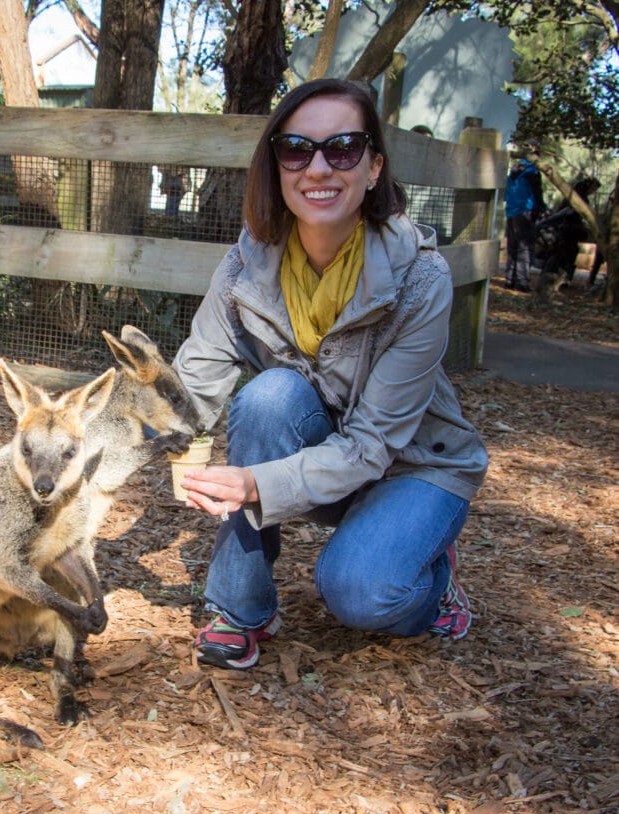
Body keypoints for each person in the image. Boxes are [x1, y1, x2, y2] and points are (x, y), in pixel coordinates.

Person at [172, 78, 489, 671]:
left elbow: (372, 444)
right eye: (297, 149)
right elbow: (192, 381)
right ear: (277, 167)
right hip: (324, 455)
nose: (318, 168)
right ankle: (242, 607)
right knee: (268, 398)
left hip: (416, 465)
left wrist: (254, 484)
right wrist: (103, 442)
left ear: (373, 168)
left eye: (341, 148)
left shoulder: (421, 279)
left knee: (362, 593)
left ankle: (434, 584)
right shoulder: (246, 264)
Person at [535, 176, 601, 302]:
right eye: (594, 189)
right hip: (566, 233)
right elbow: (568, 216)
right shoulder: (578, 200)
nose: (594, 192)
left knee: (562, 257)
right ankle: (557, 281)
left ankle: (560, 280)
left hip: (567, 233)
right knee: (560, 257)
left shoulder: (573, 196)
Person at [503, 142, 546, 293]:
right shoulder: (531, 171)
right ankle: (522, 282)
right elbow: (537, 193)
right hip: (525, 211)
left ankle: (510, 279)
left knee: (512, 246)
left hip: (511, 211)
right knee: (525, 247)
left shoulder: (515, 169)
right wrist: (543, 208)